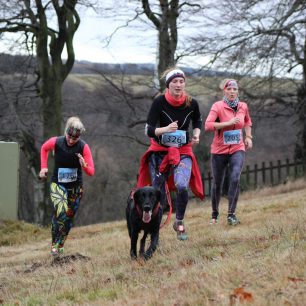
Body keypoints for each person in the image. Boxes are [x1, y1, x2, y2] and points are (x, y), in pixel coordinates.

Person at [137, 67, 204, 241]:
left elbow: (197, 120)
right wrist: (165, 129)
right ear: (168, 85)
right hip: (160, 152)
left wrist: (196, 134)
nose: (178, 84)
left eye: (181, 81)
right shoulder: (159, 102)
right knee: (157, 192)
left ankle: (179, 222)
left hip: (183, 151)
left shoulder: (192, 103)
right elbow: (149, 130)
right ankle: (153, 229)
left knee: (182, 185)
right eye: (174, 81)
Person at [39, 116, 95, 255]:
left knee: (69, 216)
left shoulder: (83, 147)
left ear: (79, 137)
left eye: (74, 139)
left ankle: (61, 243)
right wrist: (43, 167)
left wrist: (84, 165)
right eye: (69, 136)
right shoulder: (57, 142)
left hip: (75, 187)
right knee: (61, 211)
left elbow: (91, 172)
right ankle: (54, 244)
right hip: (58, 184)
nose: (70, 140)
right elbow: (44, 149)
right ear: (66, 132)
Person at [205, 79, 253, 225]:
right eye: (229, 89)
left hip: (237, 148)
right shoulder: (217, 106)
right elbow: (208, 126)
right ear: (224, 91)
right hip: (219, 151)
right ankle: (215, 213)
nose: (232, 92)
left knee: (235, 178)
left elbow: (247, 122)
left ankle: (231, 214)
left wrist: (248, 137)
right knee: (217, 183)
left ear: (237, 91)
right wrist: (227, 123)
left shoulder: (243, 106)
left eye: (235, 89)